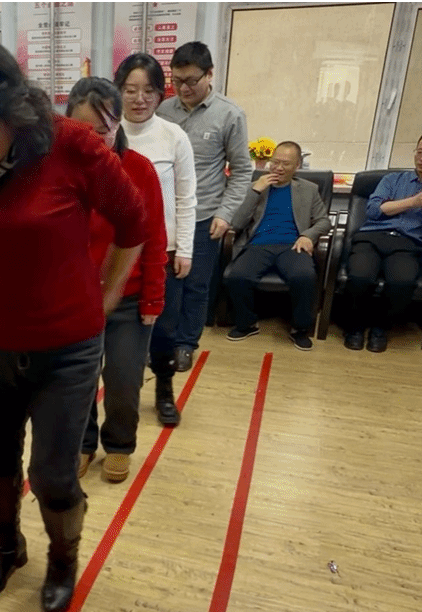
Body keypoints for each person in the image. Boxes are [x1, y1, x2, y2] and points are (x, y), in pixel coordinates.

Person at [0, 29, 148, 612]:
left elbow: (134, 221)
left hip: (66, 344)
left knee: (52, 474)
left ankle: (62, 561)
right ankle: (7, 548)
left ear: (10, 106)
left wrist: (107, 295)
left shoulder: (71, 145)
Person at [66, 78, 166, 483]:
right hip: (75, 300)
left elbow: (154, 237)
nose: (94, 140)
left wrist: (153, 299)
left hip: (128, 298)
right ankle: (83, 443)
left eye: (104, 131)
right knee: (77, 381)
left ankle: (120, 444)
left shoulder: (138, 170)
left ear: (118, 125)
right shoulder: (57, 170)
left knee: (124, 380)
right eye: (83, 131)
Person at [156, 41, 251, 371]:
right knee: (166, 284)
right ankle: (163, 341)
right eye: (177, 80)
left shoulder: (229, 114)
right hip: (165, 215)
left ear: (210, 74)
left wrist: (226, 214)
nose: (183, 88)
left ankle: (186, 344)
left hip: (204, 217)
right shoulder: (163, 111)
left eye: (191, 81)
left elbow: (242, 170)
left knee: (195, 285)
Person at [113, 53, 196, 428]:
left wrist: (185, 249)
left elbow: (186, 198)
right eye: (130, 90)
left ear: (161, 94)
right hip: (112, 251)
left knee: (162, 329)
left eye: (148, 90)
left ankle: (164, 390)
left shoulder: (173, 136)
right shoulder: (106, 133)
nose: (139, 98)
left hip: (162, 250)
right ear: (118, 91)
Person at [342, 130, 422, 353]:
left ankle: (380, 328)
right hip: (373, 237)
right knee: (359, 276)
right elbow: (374, 210)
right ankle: (355, 327)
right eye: (420, 151)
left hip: (409, 244)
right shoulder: (392, 180)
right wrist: (414, 201)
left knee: (402, 283)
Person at [224, 141, 331, 350]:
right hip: (258, 244)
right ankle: (247, 324)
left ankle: (300, 329)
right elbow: (236, 222)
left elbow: (324, 221)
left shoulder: (309, 189)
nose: (278, 168)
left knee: (304, 276)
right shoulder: (256, 186)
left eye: (286, 164)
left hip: (293, 245)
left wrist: (308, 236)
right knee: (238, 276)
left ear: (297, 166)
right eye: (275, 162)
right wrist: (255, 191)